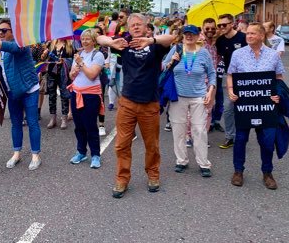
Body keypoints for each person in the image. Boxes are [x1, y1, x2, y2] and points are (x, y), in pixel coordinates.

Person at [97, 13, 173, 198]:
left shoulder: (155, 46)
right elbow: (98, 36)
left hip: (150, 104)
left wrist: (150, 41)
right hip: (128, 102)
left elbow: (172, 37)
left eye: (140, 25)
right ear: (128, 28)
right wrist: (112, 43)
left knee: (152, 145)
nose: (136, 27)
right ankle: (122, 179)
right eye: (133, 25)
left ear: (147, 27)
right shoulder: (124, 44)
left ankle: (153, 175)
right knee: (121, 145)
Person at [0, 20, 41, 170]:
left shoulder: (21, 44)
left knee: (32, 123)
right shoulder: (0, 50)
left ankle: (35, 155)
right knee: (15, 123)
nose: (0, 33)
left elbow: (13, 48)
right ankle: (16, 153)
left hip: (28, 89)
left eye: (4, 31)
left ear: (14, 32)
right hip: (12, 91)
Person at [227, 22, 285, 189]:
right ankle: (238, 171)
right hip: (244, 104)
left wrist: (278, 95)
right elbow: (231, 74)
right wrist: (231, 90)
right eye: (248, 33)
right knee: (241, 139)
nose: (249, 36)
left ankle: (267, 172)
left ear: (262, 36)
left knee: (267, 140)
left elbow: (279, 77)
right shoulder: (238, 54)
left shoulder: (273, 55)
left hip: (267, 105)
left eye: (253, 33)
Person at [163, 25, 216, 177]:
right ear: (182, 35)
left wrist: (210, 91)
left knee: (199, 130)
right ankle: (181, 160)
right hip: (177, 96)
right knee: (178, 130)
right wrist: (170, 62)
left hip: (198, 96)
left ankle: (203, 163)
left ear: (199, 36)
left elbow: (212, 73)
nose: (189, 36)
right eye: (186, 34)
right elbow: (162, 67)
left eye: (192, 34)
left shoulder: (204, 53)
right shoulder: (176, 49)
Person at [68, 29, 105, 169]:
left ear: (94, 40)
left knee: (90, 125)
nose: (84, 41)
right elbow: (71, 76)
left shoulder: (98, 55)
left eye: (87, 39)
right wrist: (74, 71)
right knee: (79, 126)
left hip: (91, 95)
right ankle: (81, 151)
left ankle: (95, 154)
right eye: (83, 39)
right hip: (76, 93)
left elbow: (92, 75)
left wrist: (81, 64)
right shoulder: (79, 54)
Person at [215, 13, 247, 149]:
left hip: (246, 77)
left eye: (224, 24)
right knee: (228, 109)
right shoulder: (220, 40)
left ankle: (243, 135)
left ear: (232, 24)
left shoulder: (243, 38)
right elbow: (219, 57)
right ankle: (230, 137)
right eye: (219, 25)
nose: (221, 27)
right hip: (229, 77)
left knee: (245, 108)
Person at [45, 39, 74, 129]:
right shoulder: (50, 44)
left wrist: (64, 60)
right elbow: (44, 59)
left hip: (64, 74)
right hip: (51, 73)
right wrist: (44, 54)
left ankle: (64, 118)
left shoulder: (69, 46)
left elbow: (73, 60)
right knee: (52, 96)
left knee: (64, 95)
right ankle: (52, 118)